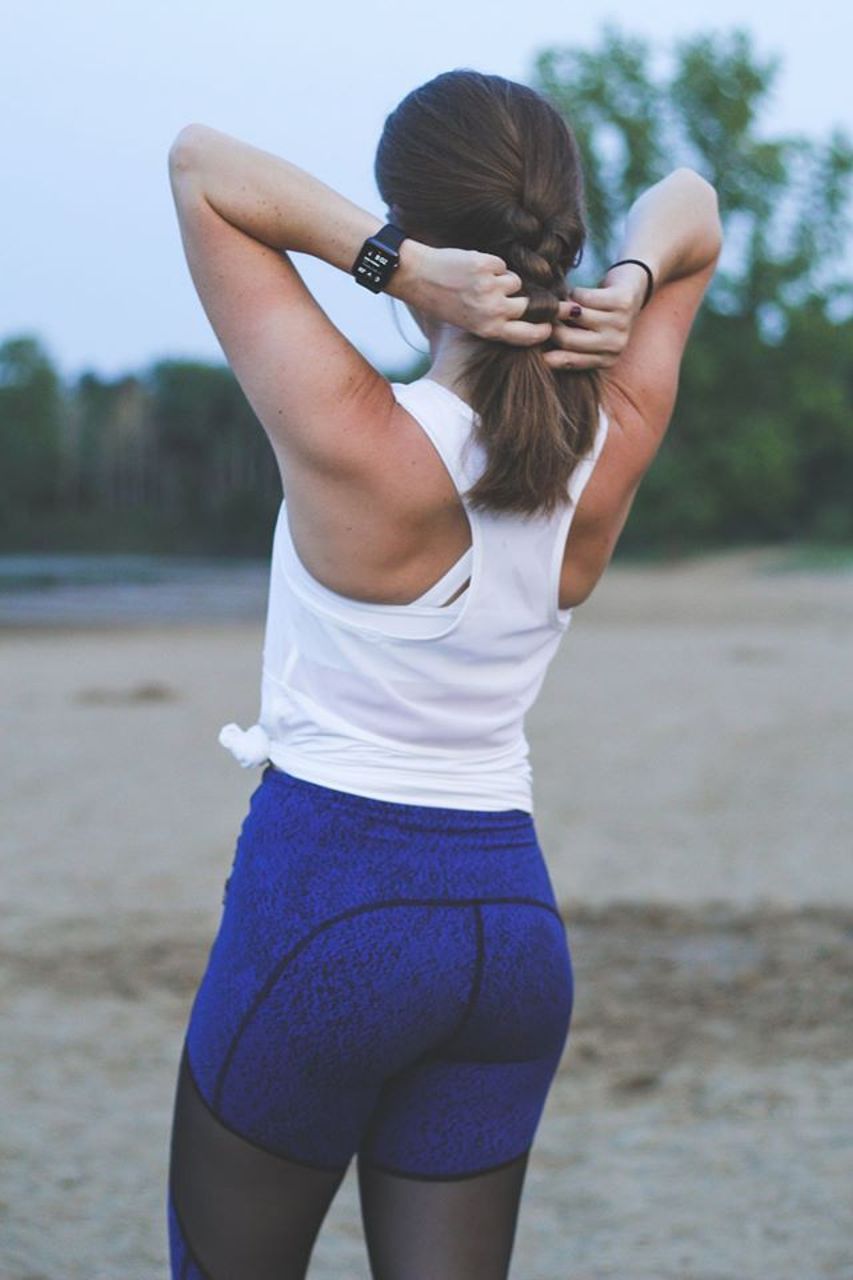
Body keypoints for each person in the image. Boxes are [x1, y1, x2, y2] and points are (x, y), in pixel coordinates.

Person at [165, 68, 722, 1280]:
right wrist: (627, 283)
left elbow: (202, 164)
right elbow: (693, 206)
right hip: (511, 933)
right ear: (555, 227)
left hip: (328, 908)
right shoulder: (609, 436)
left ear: (415, 220)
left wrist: (387, 267)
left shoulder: (358, 439)